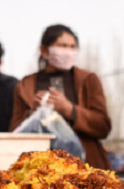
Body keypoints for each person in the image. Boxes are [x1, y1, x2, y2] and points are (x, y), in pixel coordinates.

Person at [10, 24, 112, 170]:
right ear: (44, 50)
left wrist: (69, 110)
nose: (68, 52)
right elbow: (14, 131)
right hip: (38, 168)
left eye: (73, 47)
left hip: (84, 167)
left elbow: (103, 127)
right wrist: (33, 113)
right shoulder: (25, 85)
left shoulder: (88, 80)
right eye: (63, 46)